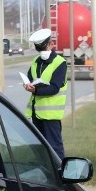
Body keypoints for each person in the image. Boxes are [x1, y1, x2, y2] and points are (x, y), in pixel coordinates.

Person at [23, 28, 68, 159]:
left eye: (44, 48)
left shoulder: (60, 63)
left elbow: (54, 88)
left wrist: (36, 90)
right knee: (40, 147)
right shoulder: (36, 61)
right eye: (39, 49)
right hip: (36, 112)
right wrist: (28, 84)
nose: (42, 52)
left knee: (54, 147)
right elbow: (30, 77)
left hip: (51, 115)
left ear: (51, 44)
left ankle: (60, 174)